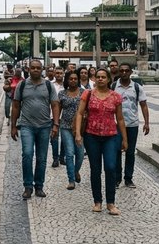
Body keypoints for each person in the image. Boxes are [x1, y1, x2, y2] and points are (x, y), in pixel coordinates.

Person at [75, 68, 128, 216]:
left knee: (111, 167)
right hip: (92, 136)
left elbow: (121, 119)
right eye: (98, 77)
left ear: (109, 79)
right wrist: (78, 133)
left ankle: (110, 202)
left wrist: (124, 138)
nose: (100, 79)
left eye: (103, 77)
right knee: (95, 169)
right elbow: (79, 113)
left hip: (111, 136)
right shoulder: (88, 94)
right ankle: (97, 201)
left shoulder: (115, 96)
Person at [10, 59, 60, 199]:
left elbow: (55, 105)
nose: (36, 70)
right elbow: (15, 105)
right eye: (33, 68)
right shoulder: (22, 85)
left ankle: (39, 186)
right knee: (27, 154)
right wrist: (13, 126)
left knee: (42, 157)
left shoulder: (48, 85)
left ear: (42, 69)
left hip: (44, 126)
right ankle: (27, 186)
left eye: (38, 68)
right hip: (27, 126)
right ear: (29, 69)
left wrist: (55, 125)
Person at [112, 63, 150, 189]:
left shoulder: (137, 87)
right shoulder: (113, 86)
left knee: (130, 152)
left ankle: (128, 178)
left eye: (126, 70)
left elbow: (143, 104)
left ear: (130, 72)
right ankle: (117, 178)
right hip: (116, 125)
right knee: (117, 151)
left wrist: (147, 122)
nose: (124, 73)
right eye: (121, 70)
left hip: (132, 124)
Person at [58, 70, 85, 190]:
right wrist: (55, 124)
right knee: (69, 153)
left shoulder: (84, 93)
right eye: (71, 79)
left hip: (80, 128)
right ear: (67, 80)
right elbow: (58, 110)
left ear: (78, 80)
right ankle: (71, 180)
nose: (73, 81)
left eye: (75, 78)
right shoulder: (62, 94)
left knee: (79, 154)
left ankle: (76, 171)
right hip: (65, 126)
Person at [49, 66, 65, 168]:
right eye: (57, 73)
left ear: (63, 74)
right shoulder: (50, 85)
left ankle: (62, 157)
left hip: (65, 115)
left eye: (61, 73)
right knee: (54, 137)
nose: (59, 75)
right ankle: (55, 158)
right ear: (54, 74)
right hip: (52, 115)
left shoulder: (67, 86)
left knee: (64, 138)